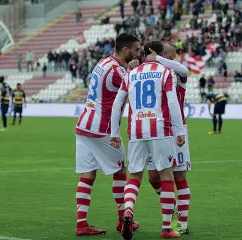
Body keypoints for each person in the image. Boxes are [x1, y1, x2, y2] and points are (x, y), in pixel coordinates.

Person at [110, 41, 185, 239]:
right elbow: (172, 102)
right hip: (160, 129)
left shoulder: (131, 74)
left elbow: (117, 104)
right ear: (159, 55)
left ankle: (128, 210)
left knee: (134, 177)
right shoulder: (166, 73)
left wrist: (114, 132)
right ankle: (167, 228)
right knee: (166, 176)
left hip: (136, 131)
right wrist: (179, 130)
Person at [74, 33, 141, 236]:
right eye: (137, 50)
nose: (139, 53)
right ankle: (122, 220)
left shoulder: (103, 63)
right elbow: (136, 90)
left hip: (84, 124)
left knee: (88, 174)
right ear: (126, 50)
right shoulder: (117, 71)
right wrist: (136, 71)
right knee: (120, 170)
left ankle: (81, 224)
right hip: (102, 129)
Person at [145, 42, 191, 235]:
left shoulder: (176, 74)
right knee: (153, 177)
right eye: (163, 54)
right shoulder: (151, 72)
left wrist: (158, 58)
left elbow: (184, 69)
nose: (167, 57)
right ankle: (171, 204)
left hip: (175, 130)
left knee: (179, 176)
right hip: (154, 129)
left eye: (168, 54)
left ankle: (182, 222)